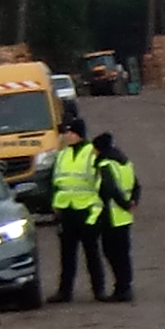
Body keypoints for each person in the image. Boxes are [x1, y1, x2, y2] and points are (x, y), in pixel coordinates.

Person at [44, 117, 102, 303]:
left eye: (70, 132)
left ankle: (98, 290)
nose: (66, 135)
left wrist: (96, 210)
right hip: (66, 210)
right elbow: (55, 181)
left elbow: (98, 182)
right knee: (67, 255)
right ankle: (65, 291)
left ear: (78, 134)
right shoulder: (62, 154)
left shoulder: (91, 153)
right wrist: (54, 203)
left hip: (86, 209)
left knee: (91, 253)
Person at [89, 131, 139, 302]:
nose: (93, 152)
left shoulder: (105, 164)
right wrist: (132, 203)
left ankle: (121, 289)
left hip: (111, 216)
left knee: (112, 253)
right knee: (124, 254)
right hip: (125, 217)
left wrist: (124, 204)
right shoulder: (125, 162)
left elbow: (110, 189)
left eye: (95, 149)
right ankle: (126, 287)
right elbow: (137, 185)